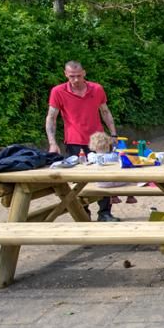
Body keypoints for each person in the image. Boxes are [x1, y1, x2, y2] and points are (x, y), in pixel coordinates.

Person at [46, 60, 120, 222]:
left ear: (84, 73)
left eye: (79, 76)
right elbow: (51, 118)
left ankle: (105, 213)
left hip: (98, 140)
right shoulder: (58, 91)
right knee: (79, 179)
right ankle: (84, 213)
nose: (76, 80)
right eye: (72, 76)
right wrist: (52, 142)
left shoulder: (97, 89)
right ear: (66, 74)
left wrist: (113, 135)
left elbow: (105, 112)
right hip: (74, 140)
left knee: (104, 177)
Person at [88, 132, 137, 204]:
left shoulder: (91, 156)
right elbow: (122, 159)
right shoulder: (113, 156)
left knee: (109, 178)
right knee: (130, 178)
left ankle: (114, 197)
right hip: (117, 182)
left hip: (101, 184)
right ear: (108, 145)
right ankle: (130, 197)